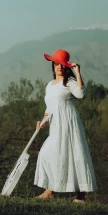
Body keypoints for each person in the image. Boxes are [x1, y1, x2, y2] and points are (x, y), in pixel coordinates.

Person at [33, 49, 97, 202]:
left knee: (75, 155)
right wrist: (42, 122)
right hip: (55, 126)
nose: (59, 67)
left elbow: (80, 94)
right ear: (53, 66)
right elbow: (49, 107)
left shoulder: (70, 82)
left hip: (70, 124)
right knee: (47, 154)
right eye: (56, 64)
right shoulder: (50, 85)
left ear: (66, 67)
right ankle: (50, 190)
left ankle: (81, 195)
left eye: (62, 65)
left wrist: (78, 72)